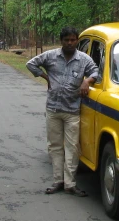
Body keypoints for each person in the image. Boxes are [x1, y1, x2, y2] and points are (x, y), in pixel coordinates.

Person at [26, 26, 99, 197]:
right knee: (55, 146)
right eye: (66, 40)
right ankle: (57, 181)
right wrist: (45, 77)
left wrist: (87, 81)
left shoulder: (83, 59)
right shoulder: (51, 56)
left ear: (76, 41)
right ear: (62, 41)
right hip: (53, 109)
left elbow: (95, 71)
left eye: (73, 40)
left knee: (73, 148)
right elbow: (31, 64)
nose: (70, 43)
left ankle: (70, 184)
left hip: (72, 110)